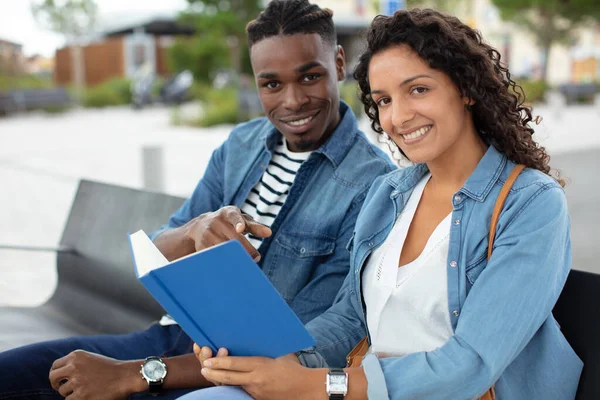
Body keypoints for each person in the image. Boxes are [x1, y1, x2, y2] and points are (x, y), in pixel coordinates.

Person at [0, 1, 395, 399]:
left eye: (310, 77)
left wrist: (137, 373)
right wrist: (193, 230)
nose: (292, 101)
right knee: (11, 373)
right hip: (170, 337)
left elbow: (296, 347)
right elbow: (155, 252)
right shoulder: (241, 145)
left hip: (230, 375)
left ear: (340, 63)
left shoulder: (372, 183)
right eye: (271, 84)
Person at [182, 8, 583, 400]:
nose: (399, 116)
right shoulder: (389, 193)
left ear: (465, 89)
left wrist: (313, 385)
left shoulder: (531, 203)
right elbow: (350, 319)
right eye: (384, 100)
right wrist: (272, 358)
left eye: (418, 89)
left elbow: (470, 364)